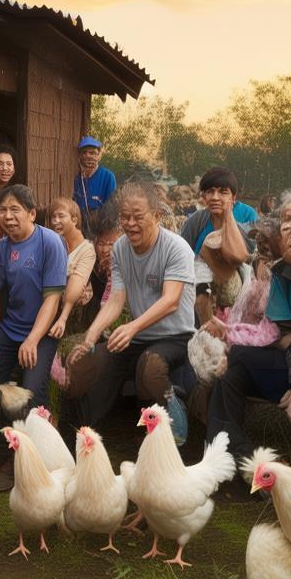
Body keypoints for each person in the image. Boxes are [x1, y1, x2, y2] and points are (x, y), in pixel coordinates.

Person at [207, 188, 291, 459]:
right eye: (287, 222)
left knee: (240, 357)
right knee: (231, 373)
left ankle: (232, 456)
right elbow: (284, 336)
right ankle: (238, 456)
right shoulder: (282, 273)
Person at [68, 180, 195, 428]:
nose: (130, 224)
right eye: (125, 217)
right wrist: (90, 337)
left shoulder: (176, 248)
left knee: (150, 368)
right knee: (91, 364)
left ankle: (176, 409)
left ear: (156, 215)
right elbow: (116, 299)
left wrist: (133, 327)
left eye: (138, 217)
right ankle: (83, 430)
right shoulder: (120, 249)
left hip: (175, 337)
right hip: (137, 337)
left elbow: (171, 301)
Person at [0, 184, 67, 414]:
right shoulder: (3, 246)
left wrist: (32, 340)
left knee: (32, 399)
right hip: (9, 329)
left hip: (41, 333)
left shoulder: (50, 242)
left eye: (15, 209)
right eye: (2, 210)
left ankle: (40, 439)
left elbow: (52, 300)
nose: (8, 216)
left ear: (32, 213)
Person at [180, 166, 253, 322]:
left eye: (223, 192)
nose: (215, 197)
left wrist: (228, 215)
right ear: (204, 196)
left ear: (234, 197)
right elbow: (181, 256)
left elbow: (240, 258)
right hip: (199, 294)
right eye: (210, 191)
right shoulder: (196, 221)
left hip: (236, 294)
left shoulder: (244, 222)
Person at [47, 197, 95, 338]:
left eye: (61, 216)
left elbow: (76, 283)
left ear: (74, 220)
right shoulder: (53, 242)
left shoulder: (87, 248)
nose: (55, 221)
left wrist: (63, 318)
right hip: (50, 305)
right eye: (53, 217)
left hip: (74, 314)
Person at [73, 136, 116, 236]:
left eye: (92, 153)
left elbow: (111, 206)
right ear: (79, 156)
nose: (88, 156)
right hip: (79, 227)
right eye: (84, 152)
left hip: (99, 227)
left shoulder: (108, 177)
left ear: (99, 155)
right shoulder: (76, 178)